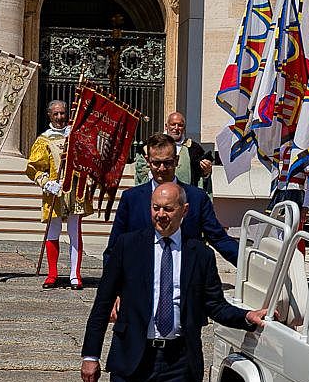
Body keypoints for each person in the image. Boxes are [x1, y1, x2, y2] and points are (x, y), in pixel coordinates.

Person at [81, 183, 269, 382]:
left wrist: (246, 316)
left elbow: (215, 305)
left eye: (168, 209)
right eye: (156, 208)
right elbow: (102, 304)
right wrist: (91, 355)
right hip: (133, 358)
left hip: (179, 363)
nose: (161, 214)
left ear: (184, 210)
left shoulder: (200, 255)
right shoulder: (128, 246)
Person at [107, 133, 238, 267]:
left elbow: (219, 238)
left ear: (176, 160)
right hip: (141, 280)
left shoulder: (197, 198)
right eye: (156, 163)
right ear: (148, 161)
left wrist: (247, 263)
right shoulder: (131, 199)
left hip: (185, 280)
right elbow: (114, 248)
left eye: (167, 162)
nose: (162, 168)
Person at [26, 99, 91, 289]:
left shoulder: (76, 136)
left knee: (74, 232)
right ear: (50, 115)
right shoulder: (43, 140)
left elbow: (87, 161)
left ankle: (74, 274)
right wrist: (46, 183)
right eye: (56, 114)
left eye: (63, 113)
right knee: (53, 231)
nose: (60, 117)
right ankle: (52, 274)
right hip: (54, 191)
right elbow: (33, 168)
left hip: (74, 191)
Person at [135, 112, 213, 195]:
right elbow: (141, 173)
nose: (176, 128)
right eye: (173, 124)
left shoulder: (194, 149)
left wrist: (206, 172)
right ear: (166, 126)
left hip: (183, 197)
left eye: (180, 125)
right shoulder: (150, 146)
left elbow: (201, 178)